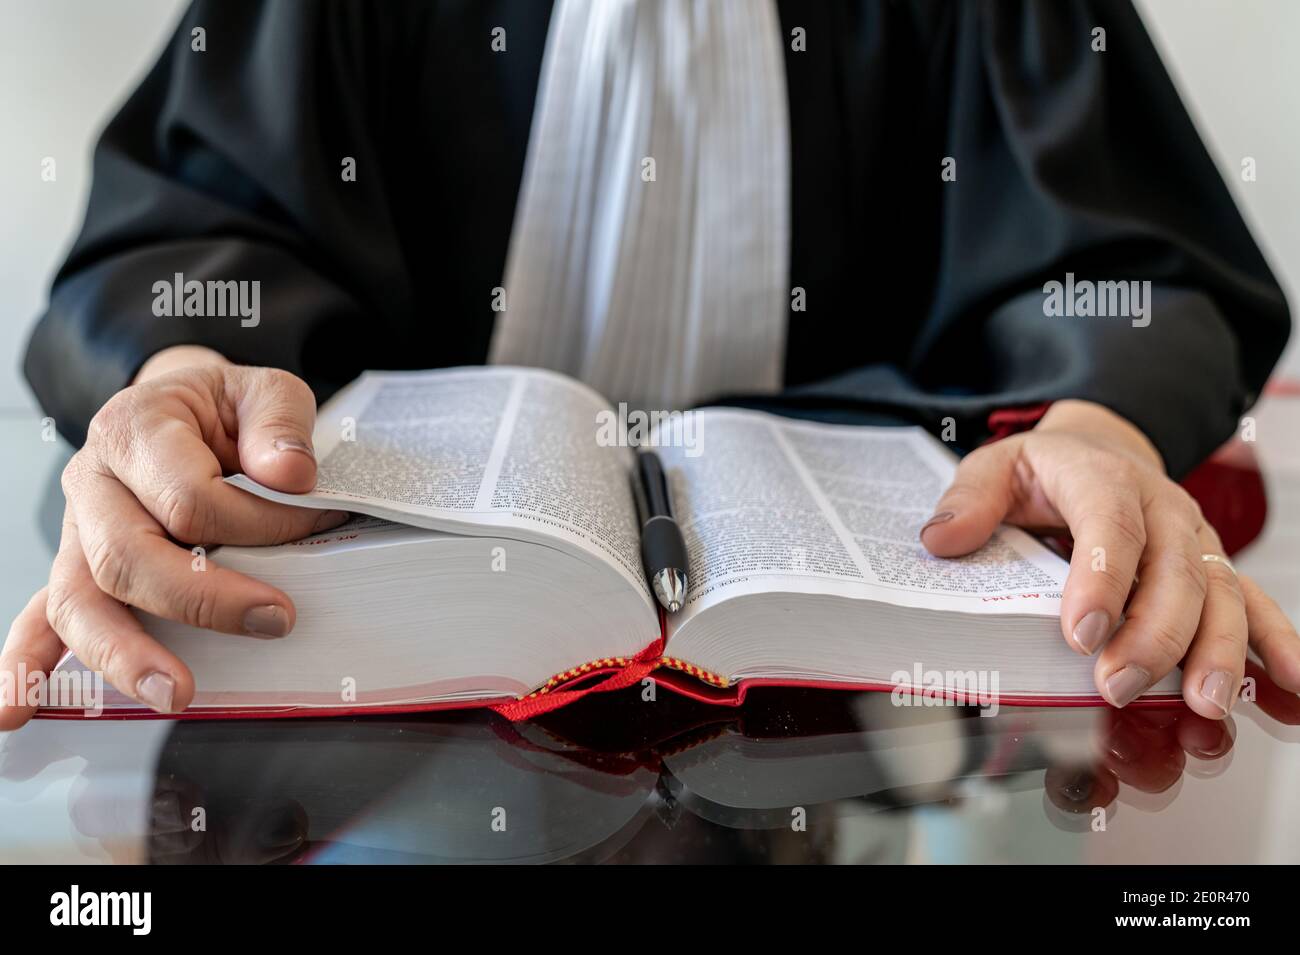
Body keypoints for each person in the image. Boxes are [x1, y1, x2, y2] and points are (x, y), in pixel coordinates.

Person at [5, 0, 1298, 729]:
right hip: (400, 696)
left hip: (852, 717)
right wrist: (184, 373)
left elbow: (1136, 267)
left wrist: (1103, 426)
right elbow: (194, 229)